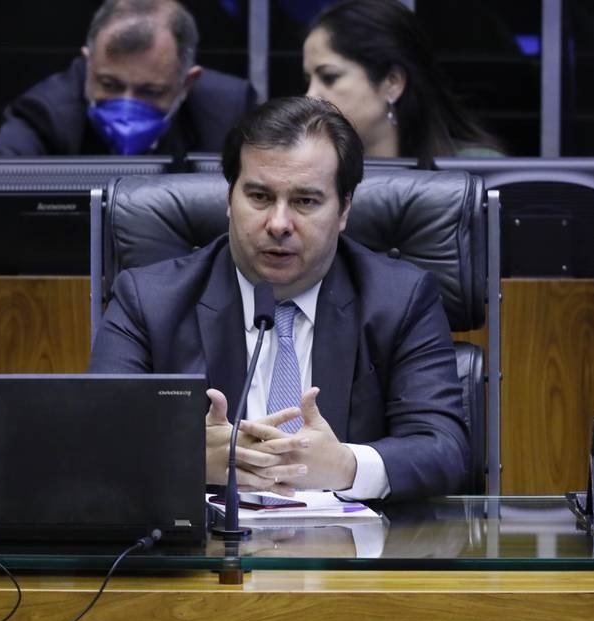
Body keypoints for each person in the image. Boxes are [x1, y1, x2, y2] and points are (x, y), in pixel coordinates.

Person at [89, 96, 469, 501]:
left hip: (350, 541)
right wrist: (187, 459)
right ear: (229, 199)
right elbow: (95, 441)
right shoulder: (149, 301)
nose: (279, 224)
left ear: (343, 210)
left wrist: (347, 465)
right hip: (209, 541)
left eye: (305, 201)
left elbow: (443, 448)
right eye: (259, 196)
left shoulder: (400, 299)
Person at [0, 0, 256, 160]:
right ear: (88, 63)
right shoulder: (45, 113)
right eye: (109, 84)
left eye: (150, 91)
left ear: (187, 83)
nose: (126, 104)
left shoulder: (228, 111)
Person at [302, 0, 503, 167]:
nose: (310, 96)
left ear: (392, 83)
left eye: (329, 77)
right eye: (308, 80)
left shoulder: (474, 169)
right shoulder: (312, 173)